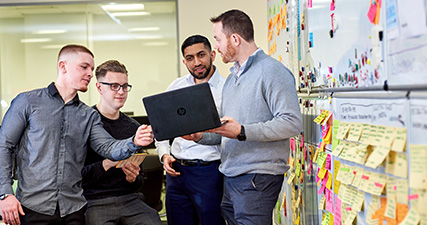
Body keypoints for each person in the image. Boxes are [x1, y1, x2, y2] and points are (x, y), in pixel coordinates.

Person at [0, 45, 153, 225]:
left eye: (92, 69)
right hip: (33, 207)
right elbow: (4, 146)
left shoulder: (88, 115)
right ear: (63, 66)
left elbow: (108, 147)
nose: (90, 73)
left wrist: (134, 141)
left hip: (73, 209)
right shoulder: (27, 102)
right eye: (84, 67)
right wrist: (5, 193)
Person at [184, 10, 303, 225]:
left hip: (257, 177)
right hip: (231, 175)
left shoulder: (272, 71)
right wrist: (200, 136)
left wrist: (242, 131)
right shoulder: (232, 79)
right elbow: (228, 133)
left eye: (218, 40)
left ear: (235, 39)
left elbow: (291, 122)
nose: (216, 47)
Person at [81, 60, 163, 225]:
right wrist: (108, 163)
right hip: (95, 201)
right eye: (114, 86)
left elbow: (139, 181)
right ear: (99, 87)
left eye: (125, 86)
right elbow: (76, 178)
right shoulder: (84, 122)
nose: (121, 92)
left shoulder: (133, 127)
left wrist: (133, 178)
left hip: (129, 199)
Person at [156, 35, 226, 225]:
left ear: (212, 55)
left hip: (209, 173)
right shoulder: (176, 86)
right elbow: (160, 127)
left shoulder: (227, 88)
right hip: (176, 174)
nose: (197, 62)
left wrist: (201, 136)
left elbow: (233, 135)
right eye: (190, 58)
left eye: (201, 55)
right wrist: (164, 155)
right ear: (184, 61)